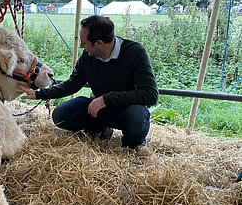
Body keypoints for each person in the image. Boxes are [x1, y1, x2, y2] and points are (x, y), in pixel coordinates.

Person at [18, 15, 158, 149]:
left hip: (127, 109)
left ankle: (132, 145)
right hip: (98, 108)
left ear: (99, 43)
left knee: (136, 120)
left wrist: (107, 99)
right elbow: (72, 84)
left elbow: (150, 94)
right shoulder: (88, 56)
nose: (81, 46)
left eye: (84, 43)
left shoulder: (135, 52)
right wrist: (39, 94)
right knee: (60, 115)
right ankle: (101, 130)